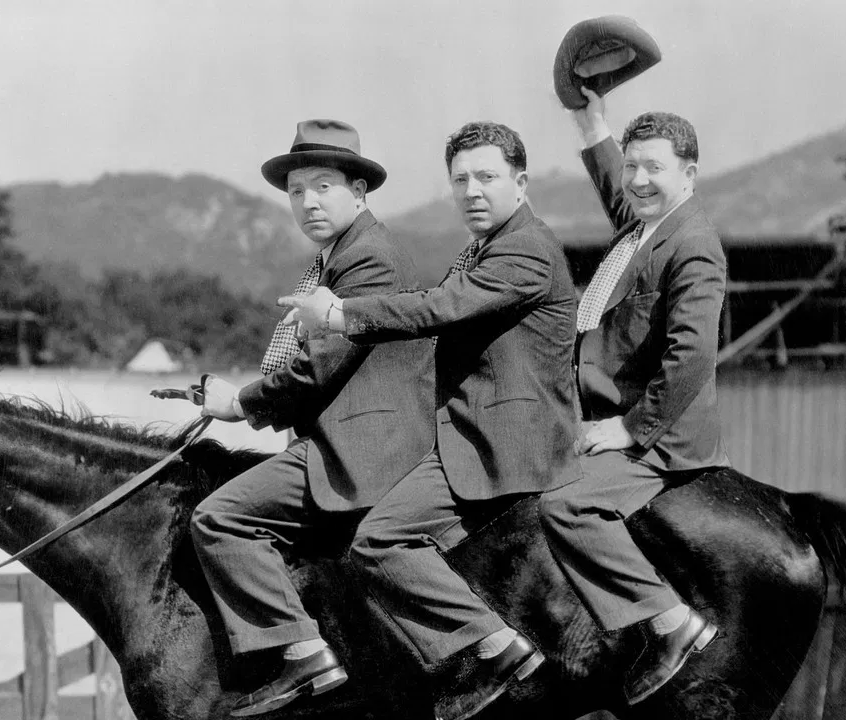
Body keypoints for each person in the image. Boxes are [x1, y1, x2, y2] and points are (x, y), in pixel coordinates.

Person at [282, 121, 580, 720]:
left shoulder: (523, 247)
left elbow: (439, 309)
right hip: (473, 423)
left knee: (379, 539)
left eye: (487, 178)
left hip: (504, 438)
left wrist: (341, 315)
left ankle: (491, 648)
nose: (471, 191)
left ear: (521, 184)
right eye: (460, 179)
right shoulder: (486, 246)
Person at [190, 119, 436, 717]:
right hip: (346, 436)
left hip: (364, 449)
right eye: (297, 191)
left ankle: (303, 653)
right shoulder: (336, 258)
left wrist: (237, 406)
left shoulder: (368, 260)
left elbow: (319, 369)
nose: (307, 202)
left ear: (359, 191)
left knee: (219, 517)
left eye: (323, 186)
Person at [538, 87, 728, 705]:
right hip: (600, 413)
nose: (639, 180)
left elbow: (692, 355)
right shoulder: (647, 224)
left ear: (689, 175)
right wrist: (591, 123)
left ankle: (671, 624)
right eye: (634, 164)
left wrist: (629, 428)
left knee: (566, 508)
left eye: (655, 168)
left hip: (660, 438)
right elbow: (616, 184)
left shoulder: (693, 243)